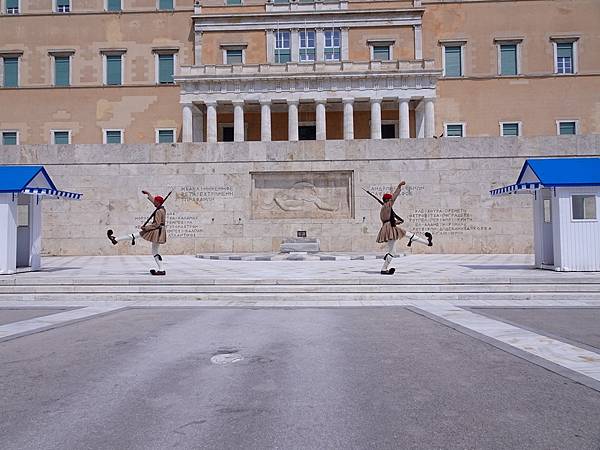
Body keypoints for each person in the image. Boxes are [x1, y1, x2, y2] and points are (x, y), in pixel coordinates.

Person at [377, 181, 433, 275]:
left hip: (389, 227)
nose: (391, 200)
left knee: (407, 234)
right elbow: (394, 197)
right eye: (390, 200)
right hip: (390, 229)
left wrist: (397, 222)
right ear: (388, 200)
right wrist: (399, 187)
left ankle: (427, 242)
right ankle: (384, 269)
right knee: (392, 252)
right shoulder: (387, 206)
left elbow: (387, 221)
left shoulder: (384, 208)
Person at [107, 190, 167, 276]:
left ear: (158, 202)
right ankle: (161, 269)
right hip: (160, 231)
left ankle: (115, 239)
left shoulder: (158, 211)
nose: (154, 203)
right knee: (154, 251)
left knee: (138, 235)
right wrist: (149, 194)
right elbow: (154, 201)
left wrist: (145, 228)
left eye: (155, 202)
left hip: (156, 231)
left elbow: (156, 224)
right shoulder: (162, 209)